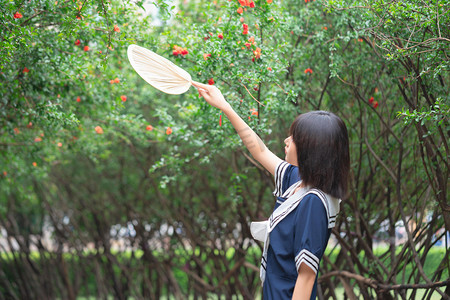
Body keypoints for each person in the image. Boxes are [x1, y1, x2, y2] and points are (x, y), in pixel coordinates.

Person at [192, 81, 350, 300]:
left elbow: (306, 276)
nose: (286, 141)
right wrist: (225, 106)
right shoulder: (298, 181)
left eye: (294, 138)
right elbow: (260, 150)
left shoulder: (314, 201)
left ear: (312, 149)